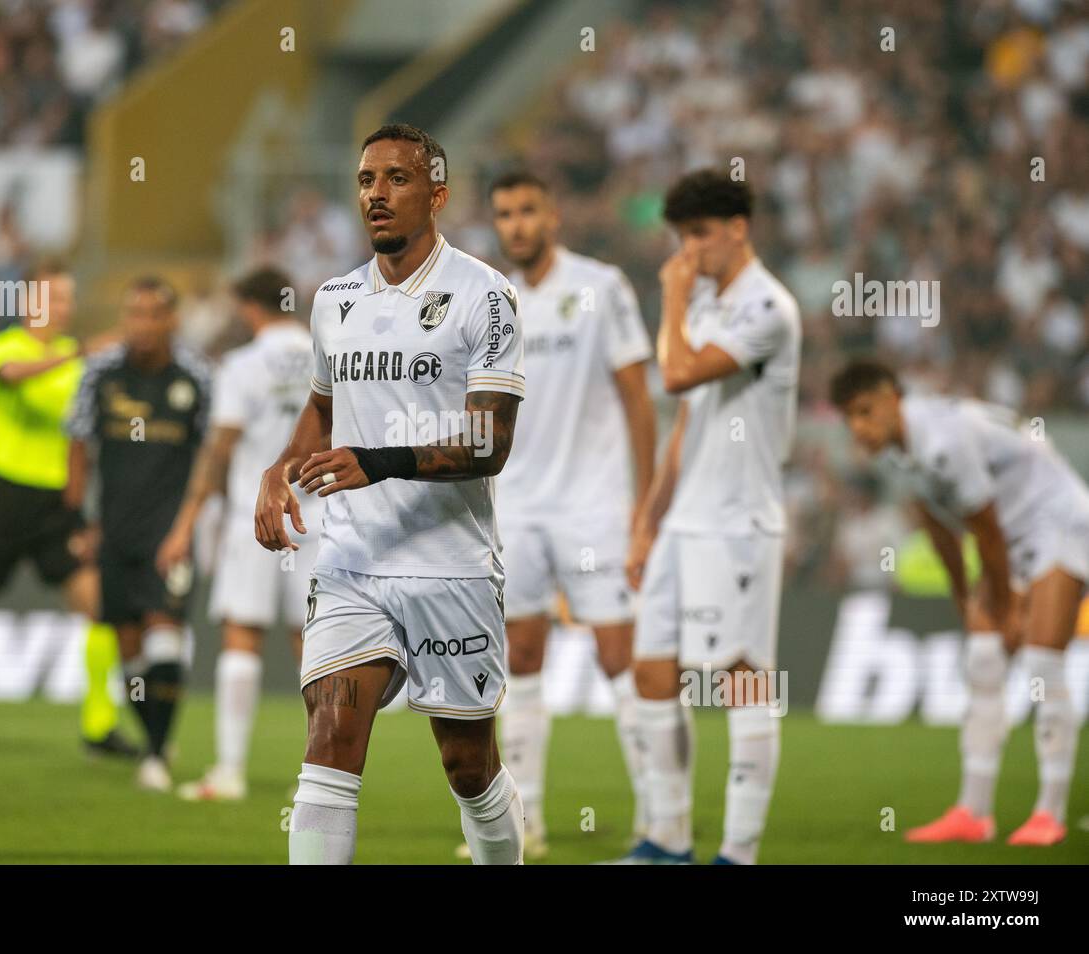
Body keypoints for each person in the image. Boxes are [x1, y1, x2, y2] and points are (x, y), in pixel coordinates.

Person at [254, 123, 526, 865]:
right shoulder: (335, 299)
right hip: (351, 562)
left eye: (397, 179)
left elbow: (490, 443)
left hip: (450, 563)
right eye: (367, 180)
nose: (377, 194)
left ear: (437, 194)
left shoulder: (485, 297)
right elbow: (320, 405)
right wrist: (279, 470)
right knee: (330, 741)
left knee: (467, 766)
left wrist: (381, 459)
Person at [619, 169, 801, 864]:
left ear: (737, 228)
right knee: (652, 671)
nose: (688, 252)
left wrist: (670, 297)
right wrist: (646, 521)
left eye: (698, 235)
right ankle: (667, 839)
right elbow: (683, 426)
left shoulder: (768, 309)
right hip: (685, 519)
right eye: (680, 238)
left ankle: (739, 852)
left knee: (742, 678)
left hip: (739, 522)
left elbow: (677, 376)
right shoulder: (707, 306)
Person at [830, 359, 1085, 846]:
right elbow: (939, 526)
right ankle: (974, 812)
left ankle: (1048, 814)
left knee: (1042, 663)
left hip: (1056, 521)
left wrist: (1008, 607)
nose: (858, 428)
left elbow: (984, 526)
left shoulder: (942, 439)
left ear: (891, 398)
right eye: (849, 419)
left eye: (865, 412)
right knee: (984, 662)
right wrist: (965, 599)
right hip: (1008, 531)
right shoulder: (895, 449)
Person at [478, 169, 656, 856]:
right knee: (519, 657)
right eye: (504, 214)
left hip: (593, 503)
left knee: (620, 656)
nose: (516, 224)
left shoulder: (600, 285)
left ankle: (657, 817)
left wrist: (641, 503)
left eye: (527, 210)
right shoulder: (494, 300)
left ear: (552, 216)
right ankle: (528, 823)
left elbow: (638, 396)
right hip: (516, 504)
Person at [0, 260, 133, 756]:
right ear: (29, 303)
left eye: (66, 300)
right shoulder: (3, 347)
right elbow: (12, 377)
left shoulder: (74, 359)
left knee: (98, 608)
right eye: (53, 299)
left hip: (59, 504)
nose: (62, 308)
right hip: (8, 501)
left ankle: (98, 726)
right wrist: (83, 352)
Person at [179, 266, 324, 802]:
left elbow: (221, 448)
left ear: (249, 307)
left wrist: (194, 516)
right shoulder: (325, 355)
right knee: (315, 646)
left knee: (242, 636)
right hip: (318, 520)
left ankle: (231, 771)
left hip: (256, 517)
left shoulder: (240, 365)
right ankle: (321, 778)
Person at [66, 276, 215, 790]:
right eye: (134, 313)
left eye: (154, 314)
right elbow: (78, 447)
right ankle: (154, 736)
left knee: (165, 640)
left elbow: (211, 457)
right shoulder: (100, 373)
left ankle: (154, 754)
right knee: (129, 650)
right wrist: (80, 523)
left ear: (171, 320)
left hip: (170, 532)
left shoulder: (196, 377)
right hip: (114, 532)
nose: (142, 325)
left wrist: (187, 528)